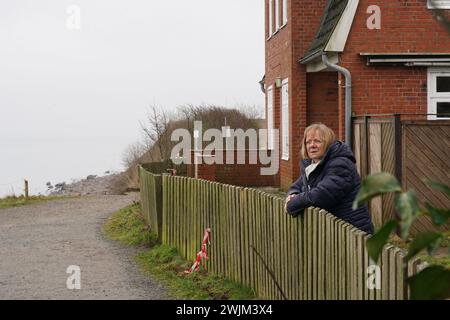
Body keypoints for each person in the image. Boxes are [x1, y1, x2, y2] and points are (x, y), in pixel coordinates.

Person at [285, 123, 374, 234]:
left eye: (317, 141)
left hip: (354, 232)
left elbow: (322, 194)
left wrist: (293, 203)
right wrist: (292, 194)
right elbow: (297, 185)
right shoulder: (313, 165)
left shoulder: (340, 164)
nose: (312, 145)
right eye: (308, 142)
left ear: (327, 144)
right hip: (335, 232)